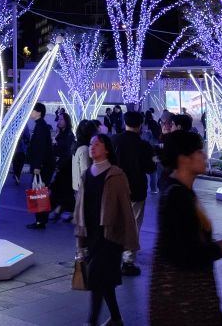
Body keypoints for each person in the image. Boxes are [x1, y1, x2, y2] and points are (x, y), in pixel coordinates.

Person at [149, 129, 222, 326]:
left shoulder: (181, 192)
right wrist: (218, 249)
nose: (204, 156)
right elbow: (183, 253)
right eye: (199, 151)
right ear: (184, 158)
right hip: (184, 301)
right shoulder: (177, 197)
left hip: (193, 297)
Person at [74, 134, 138, 326]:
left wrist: (128, 239)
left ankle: (91, 321)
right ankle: (117, 319)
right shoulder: (87, 174)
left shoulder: (116, 175)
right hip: (91, 234)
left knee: (96, 278)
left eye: (97, 144)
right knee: (105, 281)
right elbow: (80, 207)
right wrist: (80, 236)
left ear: (107, 149)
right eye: (91, 143)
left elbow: (126, 209)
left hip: (110, 235)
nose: (93, 147)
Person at [113, 111, 155, 276]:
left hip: (115, 189)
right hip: (136, 190)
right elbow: (150, 169)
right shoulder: (144, 145)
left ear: (125, 122)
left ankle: (112, 255)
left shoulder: (114, 140)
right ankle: (128, 261)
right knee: (133, 225)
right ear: (141, 124)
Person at [25, 102, 54, 230]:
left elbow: (41, 148)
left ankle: (40, 221)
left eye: (33, 110)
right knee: (39, 191)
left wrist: (37, 166)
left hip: (41, 167)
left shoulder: (41, 127)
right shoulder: (40, 125)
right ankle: (40, 220)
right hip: (42, 165)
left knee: (39, 191)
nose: (31, 112)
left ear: (39, 112)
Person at [48, 112, 75, 222]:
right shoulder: (60, 133)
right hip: (60, 166)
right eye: (58, 119)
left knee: (61, 190)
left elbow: (67, 152)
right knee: (60, 190)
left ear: (66, 121)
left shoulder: (69, 135)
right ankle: (59, 210)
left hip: (66, 167)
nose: (58, 121)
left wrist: (59, 165)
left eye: (61, 119)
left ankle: (61, 210)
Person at [71, 119, 98, 202]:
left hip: (77, 185)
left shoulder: (77, 145)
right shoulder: (85, 149)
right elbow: (85, 171)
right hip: (83, 188)